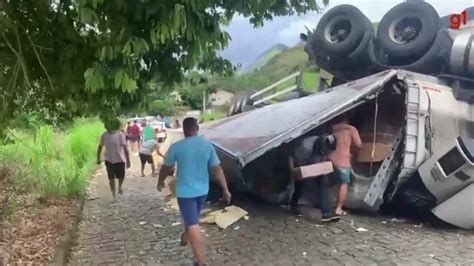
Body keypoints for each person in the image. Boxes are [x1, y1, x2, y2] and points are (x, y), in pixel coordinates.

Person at [158, 117, 231, 266]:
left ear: (184, 130)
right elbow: (217, 169)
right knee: (192, 219)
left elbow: (167, 168)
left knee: (192, 224)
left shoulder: (176, 147)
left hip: (185, 193)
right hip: (203, 191)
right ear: (197, 129)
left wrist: (160, 181)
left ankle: (201, 262)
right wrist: (225, 189)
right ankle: (186, 237)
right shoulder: (207, 146)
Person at [288, 134, 340, 222]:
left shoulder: (325, 144)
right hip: (301, 164)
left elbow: (322, 157)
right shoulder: (304, 146)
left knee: (323, 183)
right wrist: (292, 169)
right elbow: (291, 155)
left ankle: (326, 213)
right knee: (299, 186)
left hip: (314, 163)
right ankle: (294, 206)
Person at [328, 115, 362, 216]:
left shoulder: (332, 128)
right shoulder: (351, 129)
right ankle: (338, 208)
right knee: (343, 183)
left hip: (329, 159)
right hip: (342, 161)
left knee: (326, 182)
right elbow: (359, 145)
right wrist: (351, 152)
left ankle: (325, 205)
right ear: (347, 119)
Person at [97, 118, 131, 199]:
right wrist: (98, 157)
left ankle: (119, 187)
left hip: (120, 159)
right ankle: (113, 193)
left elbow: (125, 148)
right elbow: (100, 146)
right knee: (111, 178)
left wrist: (128, 160)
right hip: (109, 160)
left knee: (121, 177)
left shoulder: (120, 135)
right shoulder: (104, 135)